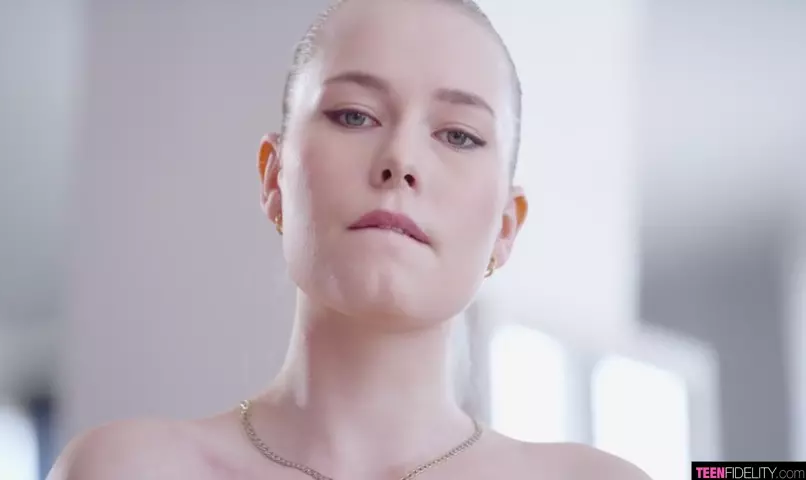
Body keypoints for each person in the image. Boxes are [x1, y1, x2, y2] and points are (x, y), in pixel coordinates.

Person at [49, 0, 653, 478]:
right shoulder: (127, 469)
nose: (400, 160)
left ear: (505, 227)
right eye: (354, 115)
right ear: (274, 179)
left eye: (459, 135)